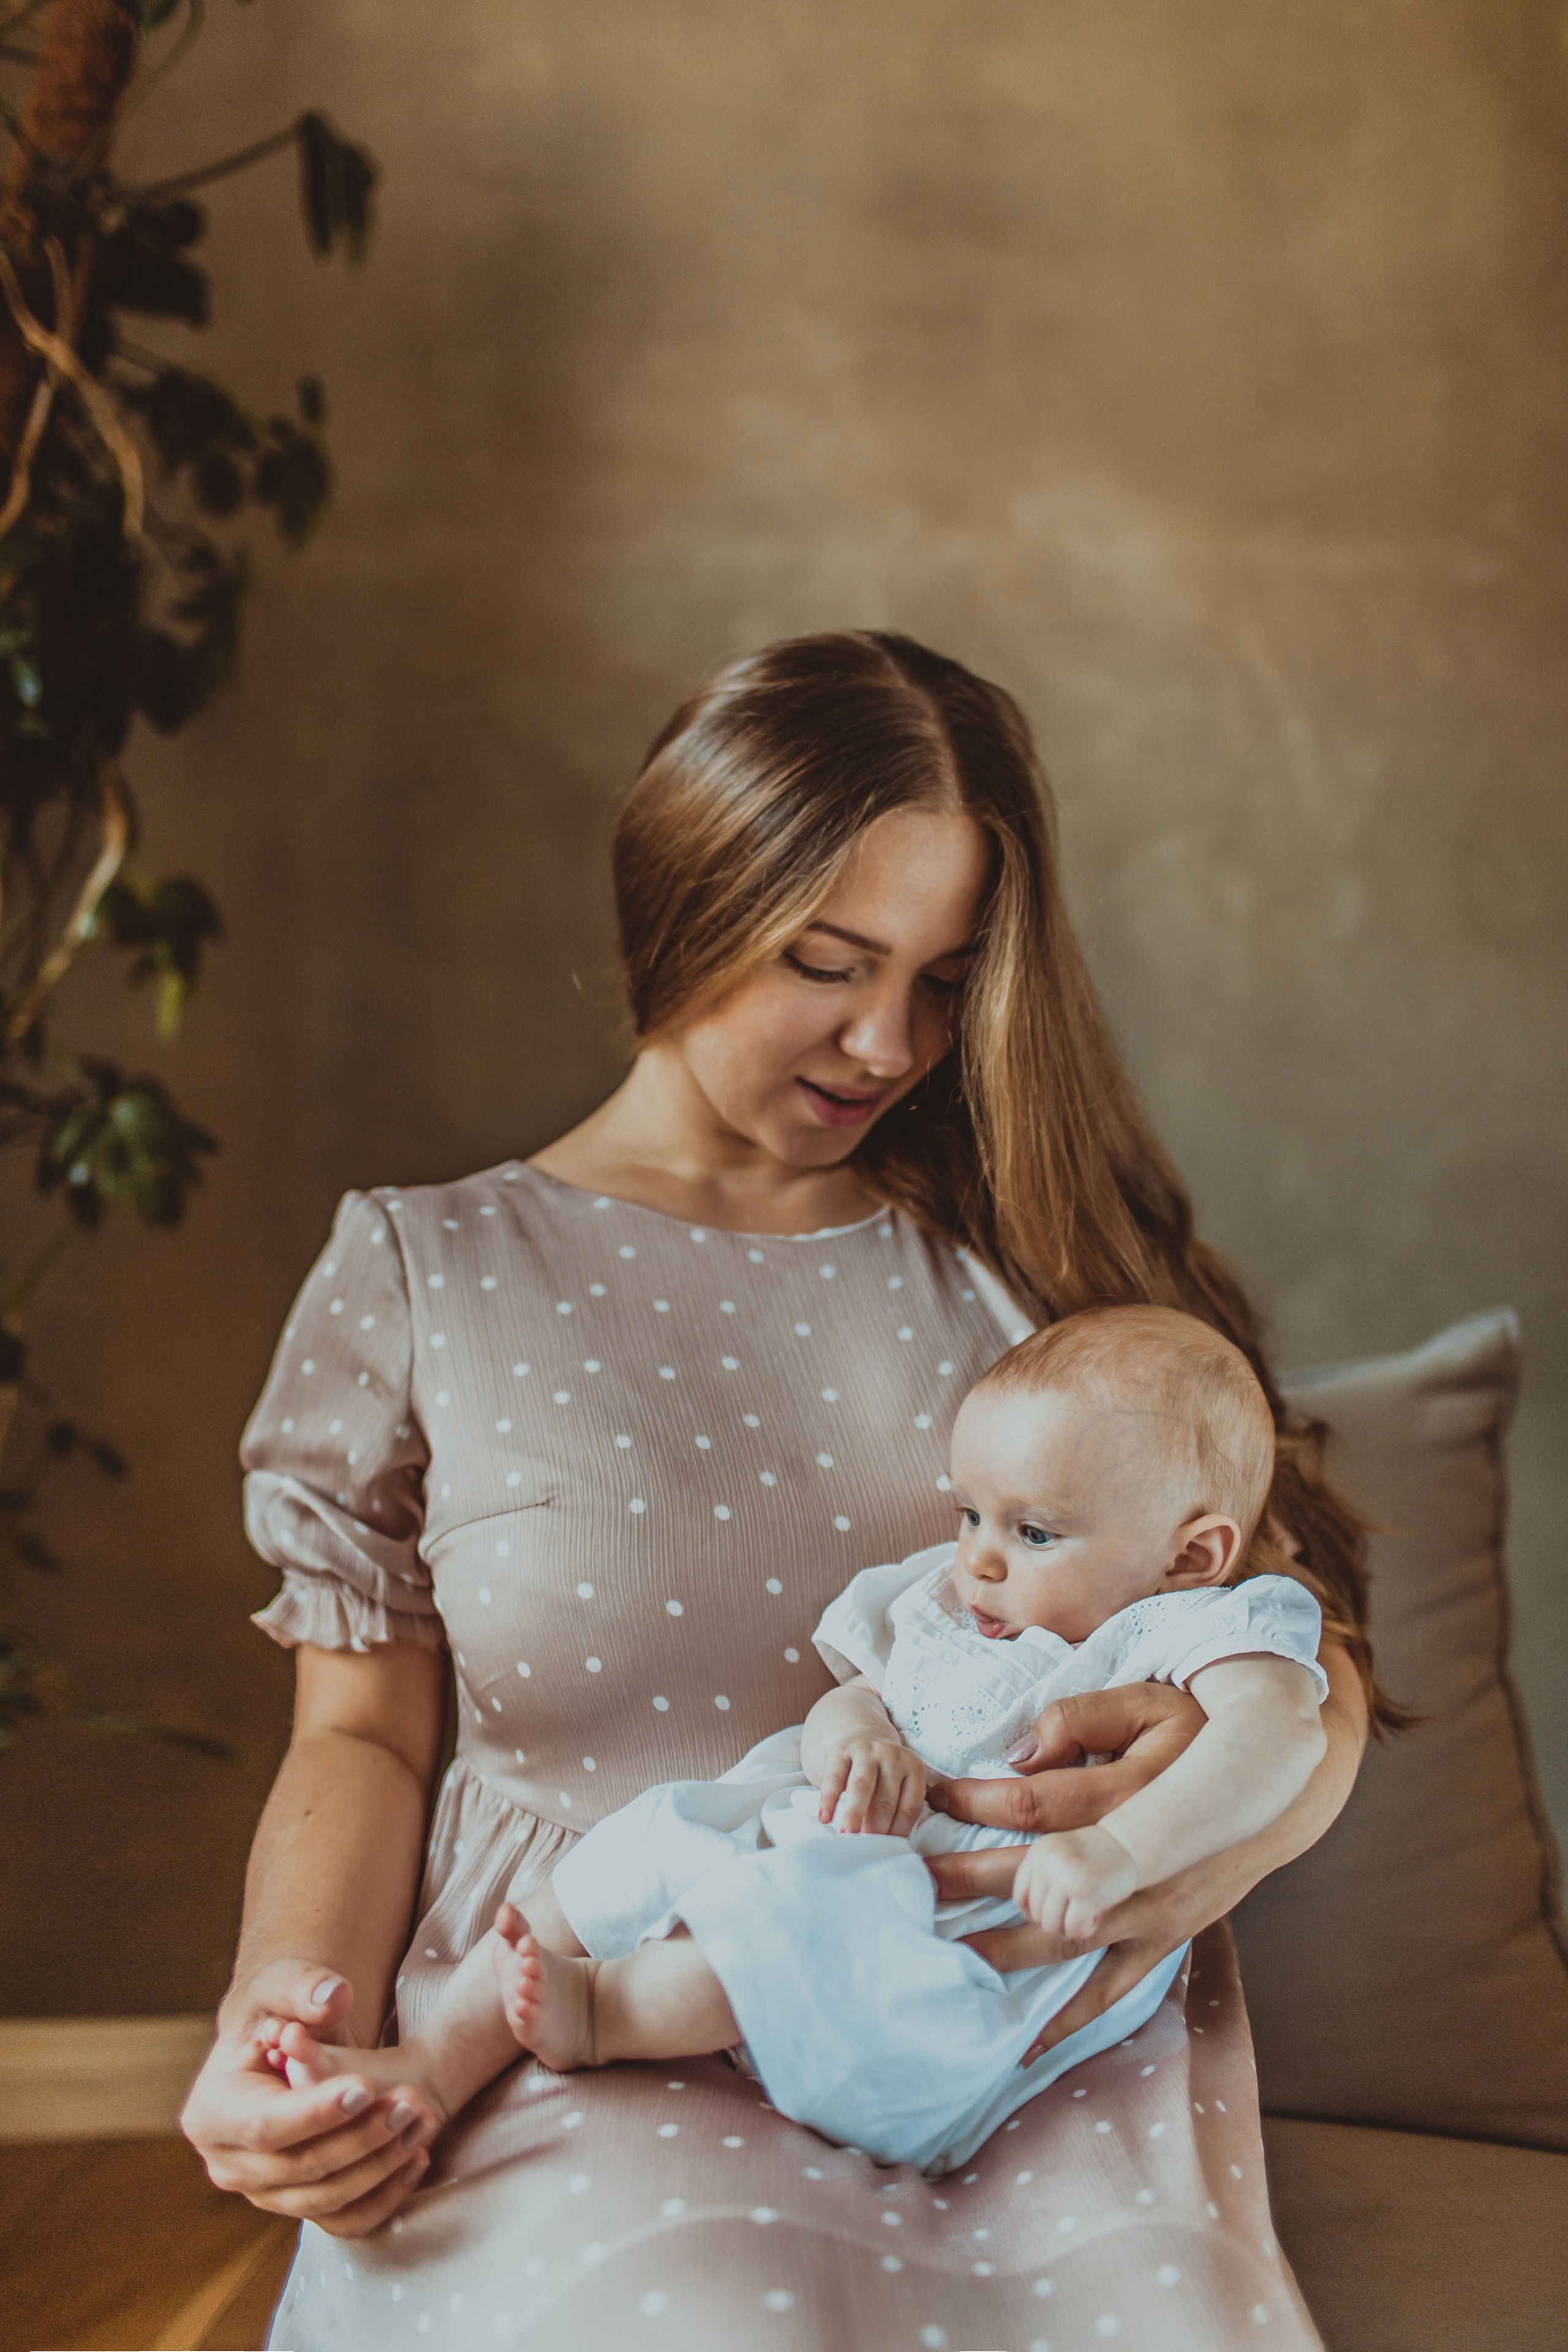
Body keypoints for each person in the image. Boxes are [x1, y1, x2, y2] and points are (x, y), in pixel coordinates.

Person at [183, 632, 1391, 2350]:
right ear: (686, 896)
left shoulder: (1017, 1261)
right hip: (576, 1991)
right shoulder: (425, 1270)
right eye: (828, 962)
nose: (888, 1041)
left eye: (948, 979)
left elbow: (1282, 1636)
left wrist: (1242, 1823)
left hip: (975, 2009)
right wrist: (272, 2013)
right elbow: (360, 1737)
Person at [262, 1304, 1330, 2185]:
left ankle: (606, 2012)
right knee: (651, 1835)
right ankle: (433, 2068)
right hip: (816, 1833)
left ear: (1192, 1555)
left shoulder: (1191, 1628)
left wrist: (1123, 1851)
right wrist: (858, 1731)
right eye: (970, 1515)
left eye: (1034, 1531)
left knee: (813, 1926)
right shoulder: (947, 1601)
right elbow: (856, 1692)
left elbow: (1274, 1737)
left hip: (944, 1938)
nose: (983, 1561)